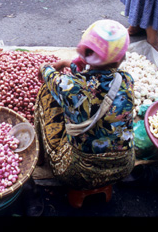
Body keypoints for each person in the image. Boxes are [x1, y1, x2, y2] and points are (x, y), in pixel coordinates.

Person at [35, 19, 135, 190]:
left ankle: (40, 157)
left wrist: (48, 66)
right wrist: (71, 64)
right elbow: (97, 80)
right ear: (120, 60)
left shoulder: (69, 86)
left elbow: (46, 73)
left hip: (78, 173)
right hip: (124, 166)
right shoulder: (127, 80)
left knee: (46, 93)